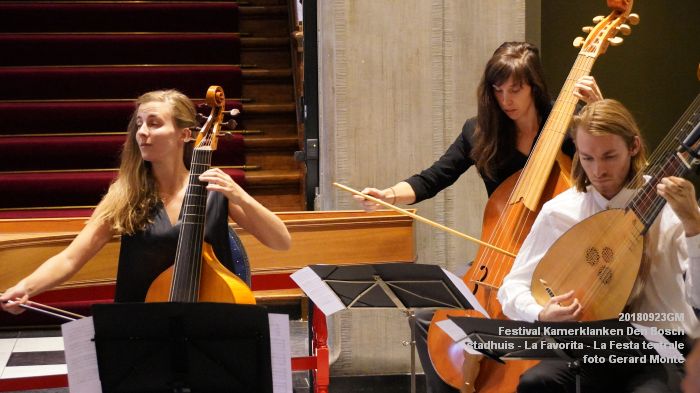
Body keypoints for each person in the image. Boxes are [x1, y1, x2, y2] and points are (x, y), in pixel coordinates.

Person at [354, 41, 602, 393]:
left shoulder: (567, 130)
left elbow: (610, 169)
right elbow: (434, 176)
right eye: (498, 90)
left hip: (548, 266)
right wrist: (389, 195)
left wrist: (597, 109)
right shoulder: (481, 130)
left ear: (534, 85)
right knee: (429, 322)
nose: (506, 100)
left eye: (515, 90)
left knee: (512, 333)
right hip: (494, 261)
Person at [1, 89, 291, 309]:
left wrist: (240, 195)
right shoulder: (126, 194)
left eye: (154, 124)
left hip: (212, 321)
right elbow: (70, 258)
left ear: (185, 134)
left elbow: (281, 241)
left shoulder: (214, 188)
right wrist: (26, 287)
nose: (142, 132)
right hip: (142, 325)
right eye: (139, 124)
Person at [498, 98, 700, 392]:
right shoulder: (561, 211)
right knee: (535, 383)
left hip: (659, 344)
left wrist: (694, 225)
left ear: (633, 147)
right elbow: (511, 287)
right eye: (587, 158)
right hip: (590, 346)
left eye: (609, 156)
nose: (598, 170)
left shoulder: (672, 206)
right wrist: (540, 312)